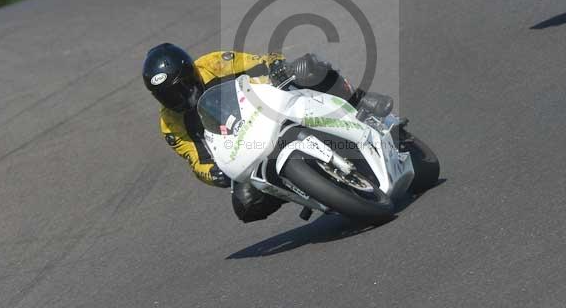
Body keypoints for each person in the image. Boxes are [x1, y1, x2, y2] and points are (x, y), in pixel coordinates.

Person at [141, 43, 393, 223]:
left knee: (308, 67)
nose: (181, 97)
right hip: (244, 147)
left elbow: (260, 62)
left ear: (193, 73)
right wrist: (212, 173)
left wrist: (278, 68)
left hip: (265, 106)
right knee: (246, 205)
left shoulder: (214, 63)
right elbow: (197, 161)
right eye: (167, 96)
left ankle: (358, 99)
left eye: (183, 86)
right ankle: (304, 188)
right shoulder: (170, 125)